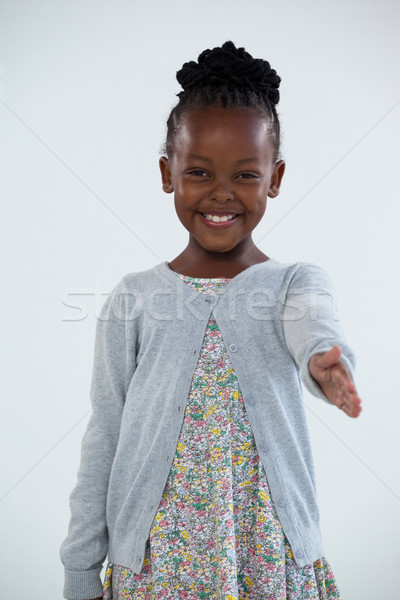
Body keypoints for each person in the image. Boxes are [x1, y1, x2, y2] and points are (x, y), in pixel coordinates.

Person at [60, 41, 362, 600]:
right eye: (198, 171)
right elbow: (105, 433)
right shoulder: (134, 299)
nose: (221, 193)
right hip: (158, 562)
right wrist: (81, 570)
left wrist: (325, 362)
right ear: (166, 173)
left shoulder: (295, 283)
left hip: (264, 554)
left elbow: (314, 323)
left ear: (275, 177)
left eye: (246, 175)